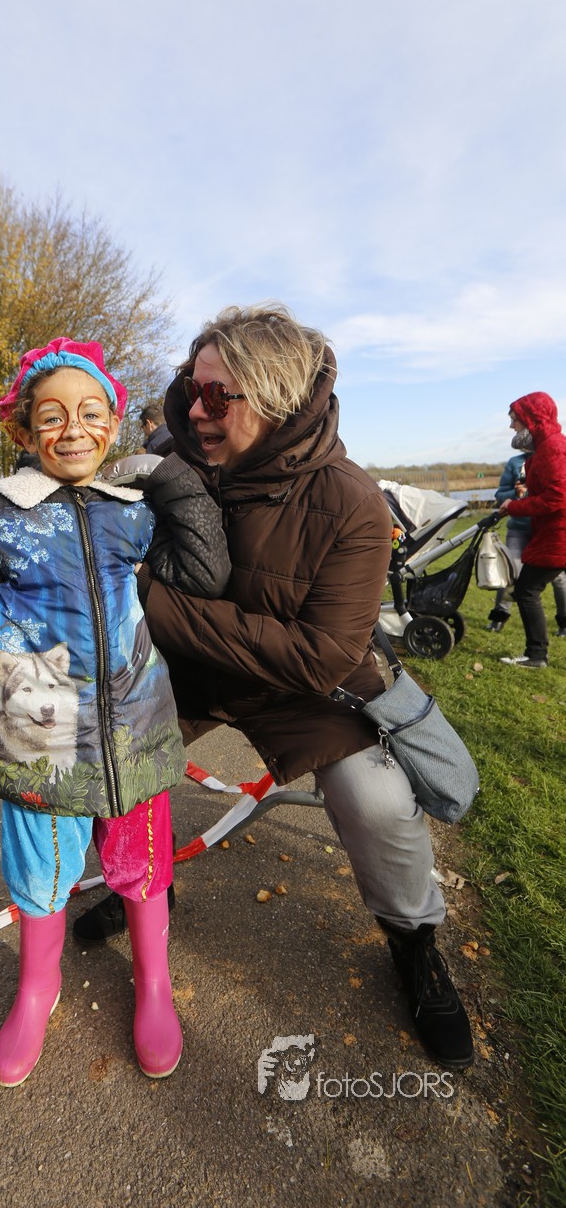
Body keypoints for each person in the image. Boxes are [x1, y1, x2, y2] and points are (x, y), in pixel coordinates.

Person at [75, 303, 476, 1071]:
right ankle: (145, 886)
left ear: (274, 396)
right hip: (191, 672)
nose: (196, 410)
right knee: (102, 752)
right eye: (190, 388)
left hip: (302, 690)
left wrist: (154, 598)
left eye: (215, 395)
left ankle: (413, 939)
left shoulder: (350, 501)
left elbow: (320, 656)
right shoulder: (167, 462)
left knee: (375, 799)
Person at [0, 336, 229, 1086]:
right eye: (52, 416)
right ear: (24, 430)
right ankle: (36, 987)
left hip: (135, 723)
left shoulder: (133, 512)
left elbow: (204, 573)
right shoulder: (1, 517)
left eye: (91, 412)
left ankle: (154, 981)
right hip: (39, 724)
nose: (74, 429)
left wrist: (172, 480)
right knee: (40, 868)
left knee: (142, 865)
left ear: (112, 423)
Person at [498, 393, 566, 669]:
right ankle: (536, 653)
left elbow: (557, 496)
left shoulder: (553, 448)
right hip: (552, 533)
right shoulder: (547, 446)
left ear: (532, 420)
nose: (511, 426)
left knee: (526, 590)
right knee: (528, 588)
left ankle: (536, 655)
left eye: (515, 420)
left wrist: (515, 506)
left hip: (558, 534)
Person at [486, 443, 566, 636]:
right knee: (510, 571)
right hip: (519, 529)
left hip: (546, 531)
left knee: (558, 578)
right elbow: (500, 495)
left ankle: (564, 623)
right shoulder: (515, 463)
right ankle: (499, 617)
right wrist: (515, 493)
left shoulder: (555, 460)